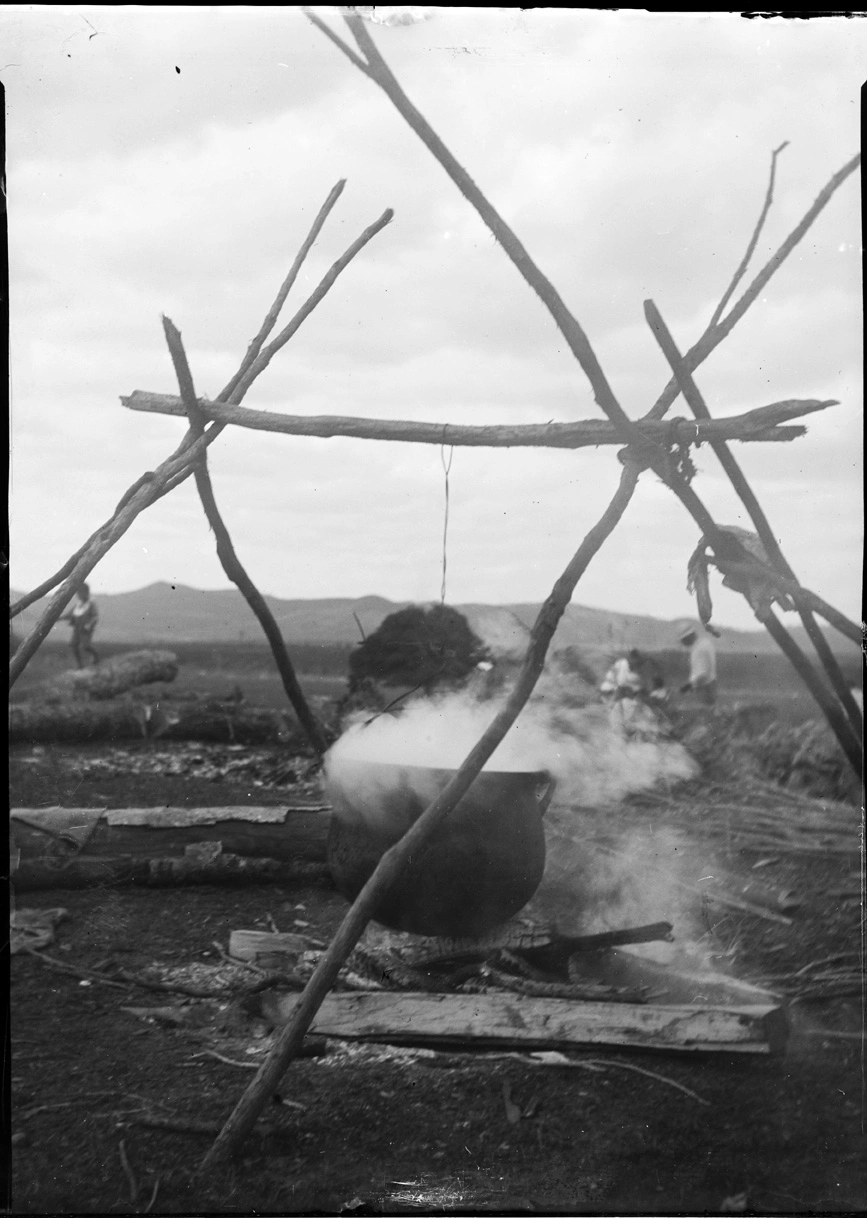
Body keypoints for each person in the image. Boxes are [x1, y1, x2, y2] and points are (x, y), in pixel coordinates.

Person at [677, 621, 716, 706]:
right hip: (709, 686)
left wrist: (689, 686)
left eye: (683, 640)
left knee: (703, 713)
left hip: (704, 688)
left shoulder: (699, 649)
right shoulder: (705, 643)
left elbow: (703, 674)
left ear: (688, 637)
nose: (683, 643)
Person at [63, 583, 99, 668]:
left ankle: (95, 656)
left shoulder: (91, 604)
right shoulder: (78, 604)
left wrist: (89, 625)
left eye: (79, 593)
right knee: (74, 645)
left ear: (86, 592)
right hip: (77, 628)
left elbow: (95, 617)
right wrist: (58, 618)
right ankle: (79, 665)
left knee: (86, 646)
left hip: (85, 629)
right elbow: (69, 614)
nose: (78, 595)